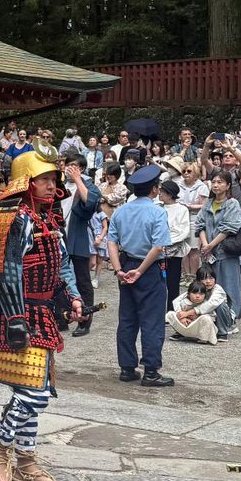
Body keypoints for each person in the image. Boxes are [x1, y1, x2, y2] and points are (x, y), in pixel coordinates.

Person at [0, 150, 85, 481]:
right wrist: (15, 318)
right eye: (44, 180)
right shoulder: (17, 219)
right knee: (33, 394)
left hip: (41, 311)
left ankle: (25, 461)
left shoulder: (49, 219)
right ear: (27, 183)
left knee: (35, 388)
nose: (51, 185)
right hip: (16, 311)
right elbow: (7, 271)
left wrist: (71, 297)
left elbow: (59, 265)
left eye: (54, 179)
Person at [107, 165, 174, 386]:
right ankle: (151, 371)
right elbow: (158, 247)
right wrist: (141, 270)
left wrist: (118, 270)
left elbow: (111, 242)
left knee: (127, 319)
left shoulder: (121, 211)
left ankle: (127, 368)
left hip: (126, 264)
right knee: (152, 320)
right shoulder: (157, 212)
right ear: (154, 189)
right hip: (149, 268)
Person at [59, 155, 100, 337]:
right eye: (67, 165)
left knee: (83, 281)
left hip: (79, 238)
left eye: (74, 166)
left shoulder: (89, 186)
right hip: (59, 237)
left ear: (82, 169)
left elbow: (90, 203)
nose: (69, 168)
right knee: (58, 280)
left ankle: (85, 321)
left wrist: (77, 179)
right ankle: (62, 317)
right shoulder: (59, 185)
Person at [195, 170, 241, 321]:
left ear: (228, 185)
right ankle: (211, 316)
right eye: (213, 182)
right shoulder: (208, 203)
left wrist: (210, 245)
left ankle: (231, 317)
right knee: (207, 285)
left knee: (229, 286)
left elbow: (229, 228)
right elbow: (200, 224)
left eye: (220, 182)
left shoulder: (232, 204)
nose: (216, 185)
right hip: (208, 253)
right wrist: (205, 245)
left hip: (225, 252)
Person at [156, 178, 194, 310]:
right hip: (157, 251)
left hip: (174, 252)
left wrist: (167, 241)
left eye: (162, 192)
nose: (159, 194)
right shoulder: (157, 207)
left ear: (170, 194)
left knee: (173, 283)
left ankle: (171, 311)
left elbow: (183, 231)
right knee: (158, 283)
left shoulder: (182, 209)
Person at [167, 280, 222, 345]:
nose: (198, 296)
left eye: (201, 294)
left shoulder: (206, 304)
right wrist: (182, 318)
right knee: (170, 314)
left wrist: (197, 316)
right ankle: (180, 333)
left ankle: (203, 337)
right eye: (195, 293)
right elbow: (179, 311)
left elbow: (213, 318)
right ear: (188, 294)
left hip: (198, 328)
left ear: (205, 295)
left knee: (206, 318)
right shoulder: (184, 302)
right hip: (186, 324)